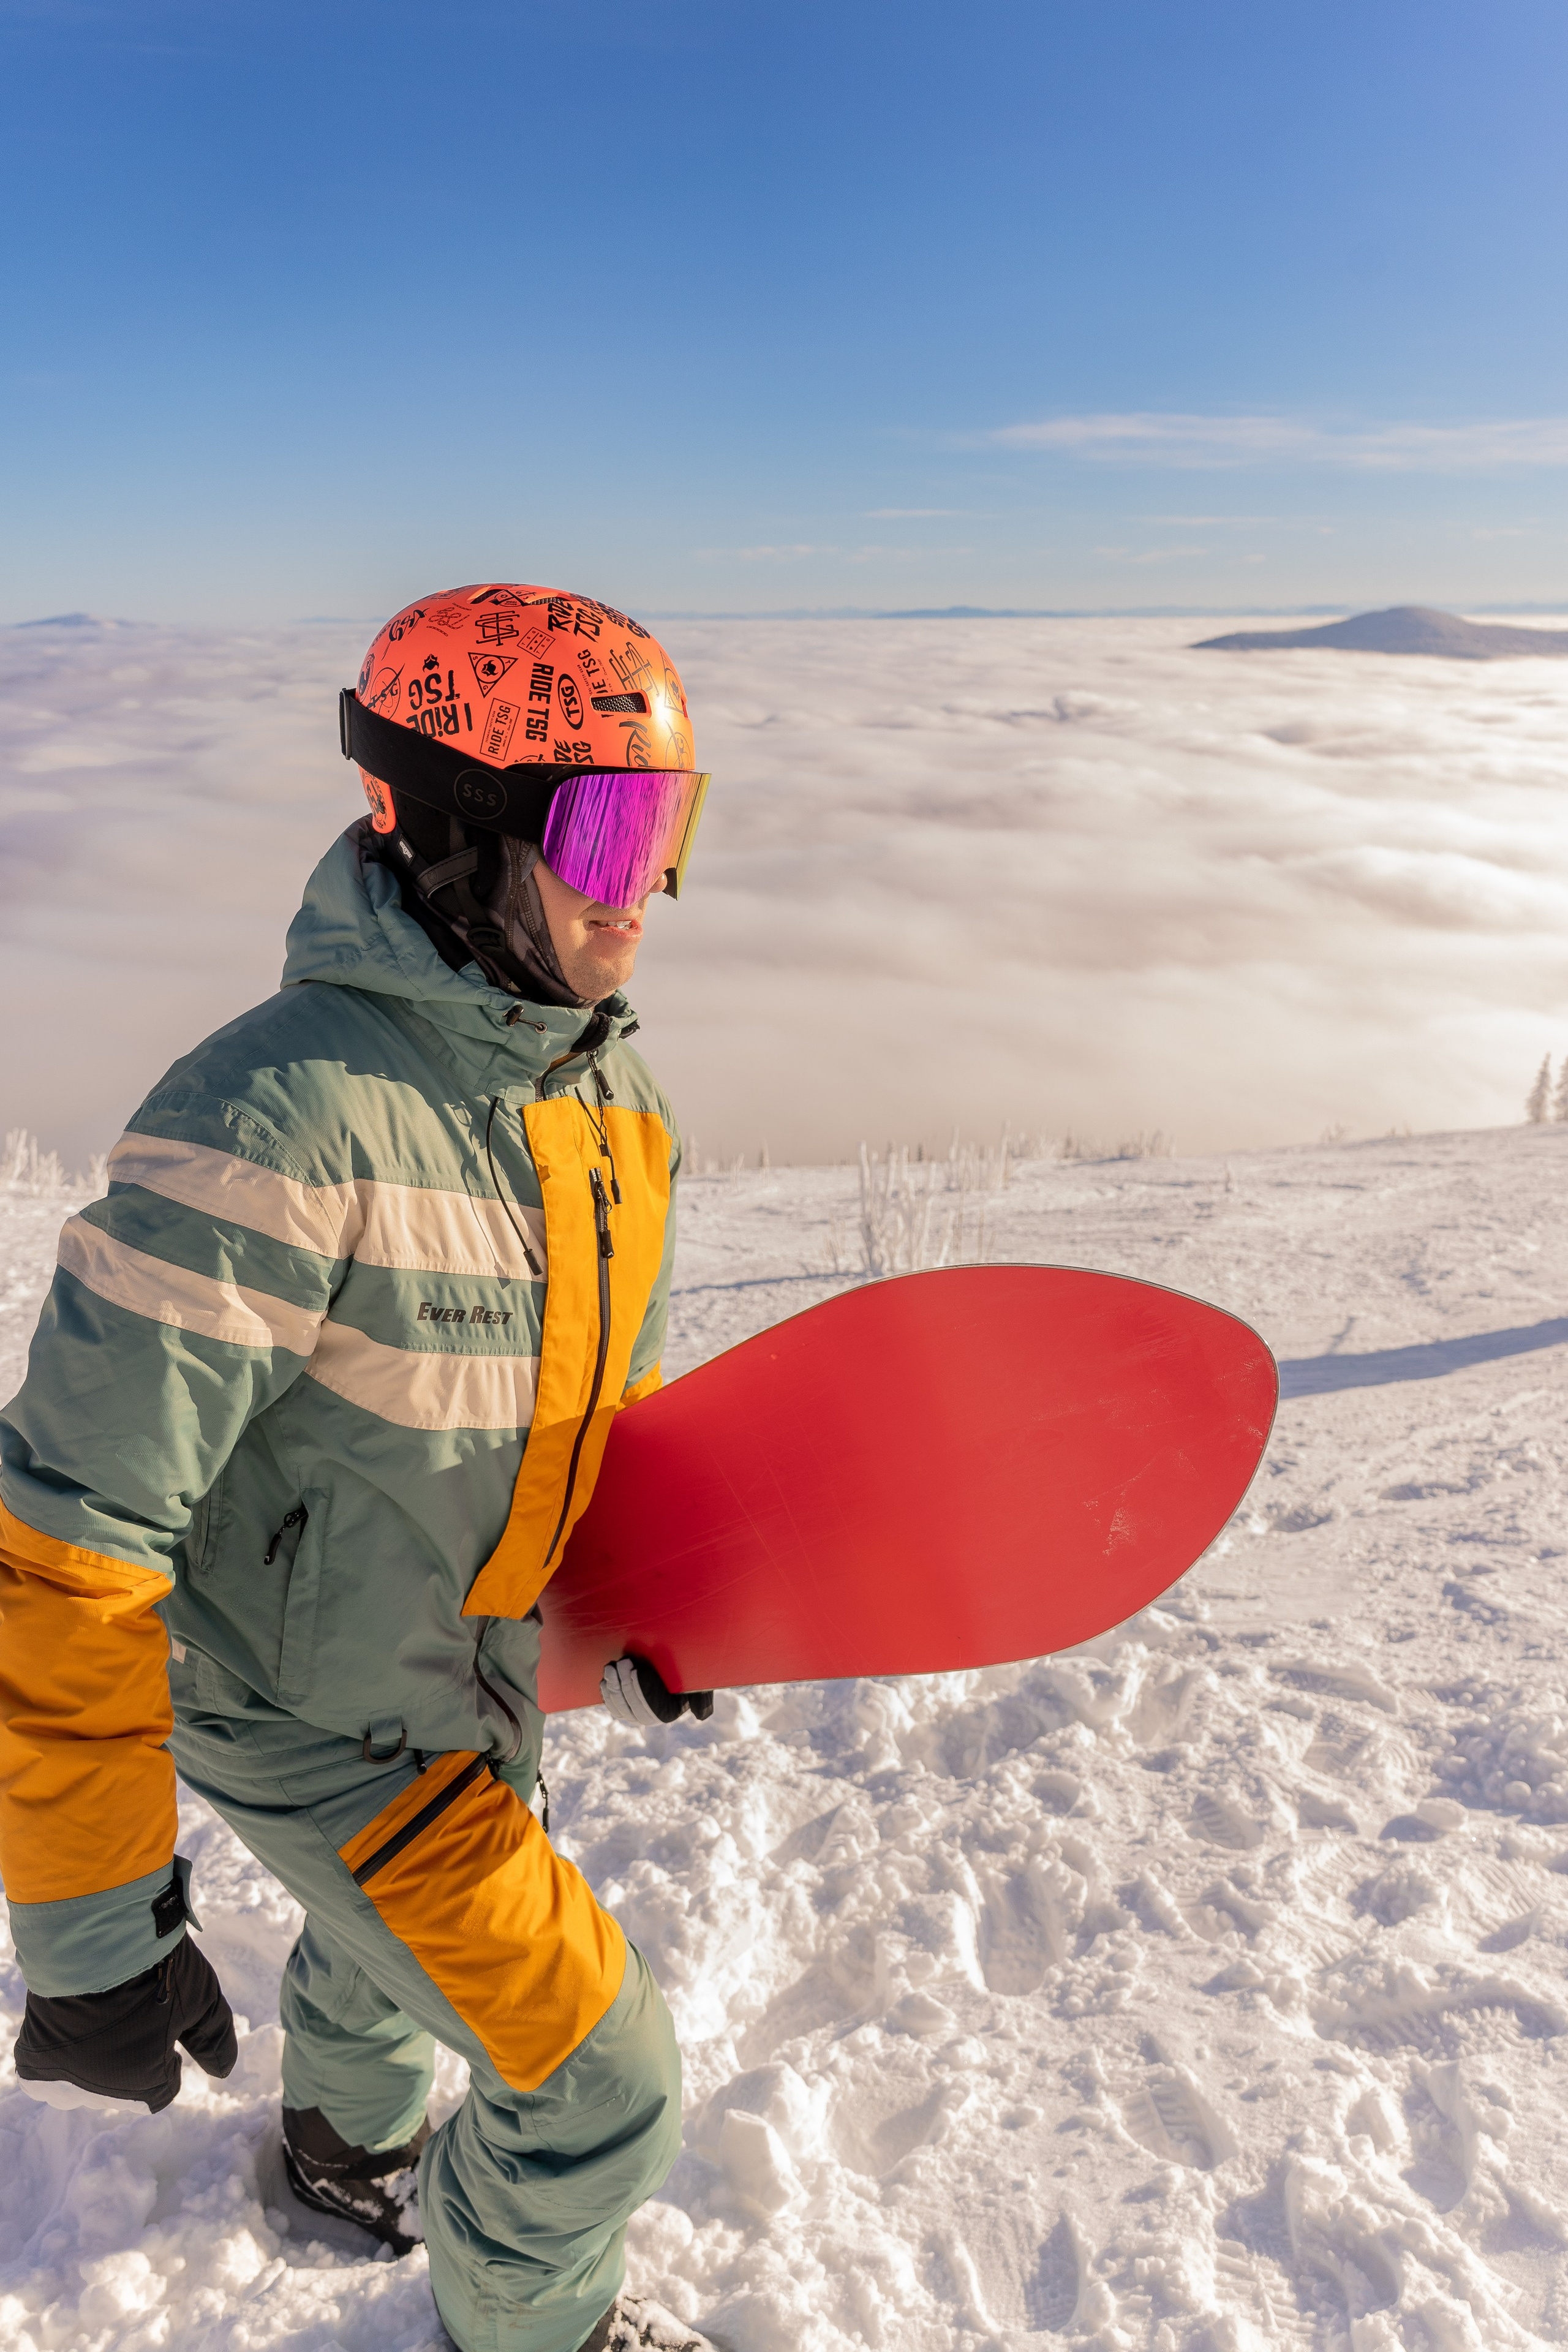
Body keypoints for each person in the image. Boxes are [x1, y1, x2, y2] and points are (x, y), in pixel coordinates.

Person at [0, 584, 718, 2352]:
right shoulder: (279, 1117)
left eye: (668, 831)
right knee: (602, 2079)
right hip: (303, 1712)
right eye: (605, 833)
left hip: (455, 1671)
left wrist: (633, 1612)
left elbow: (576, 1430)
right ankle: (530, 2331)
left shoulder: (610, 1110)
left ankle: (340, 2155)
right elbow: (69, 1529)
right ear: (462, 835)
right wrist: (90, 1933)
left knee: (381, 1958)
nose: (640, 891)